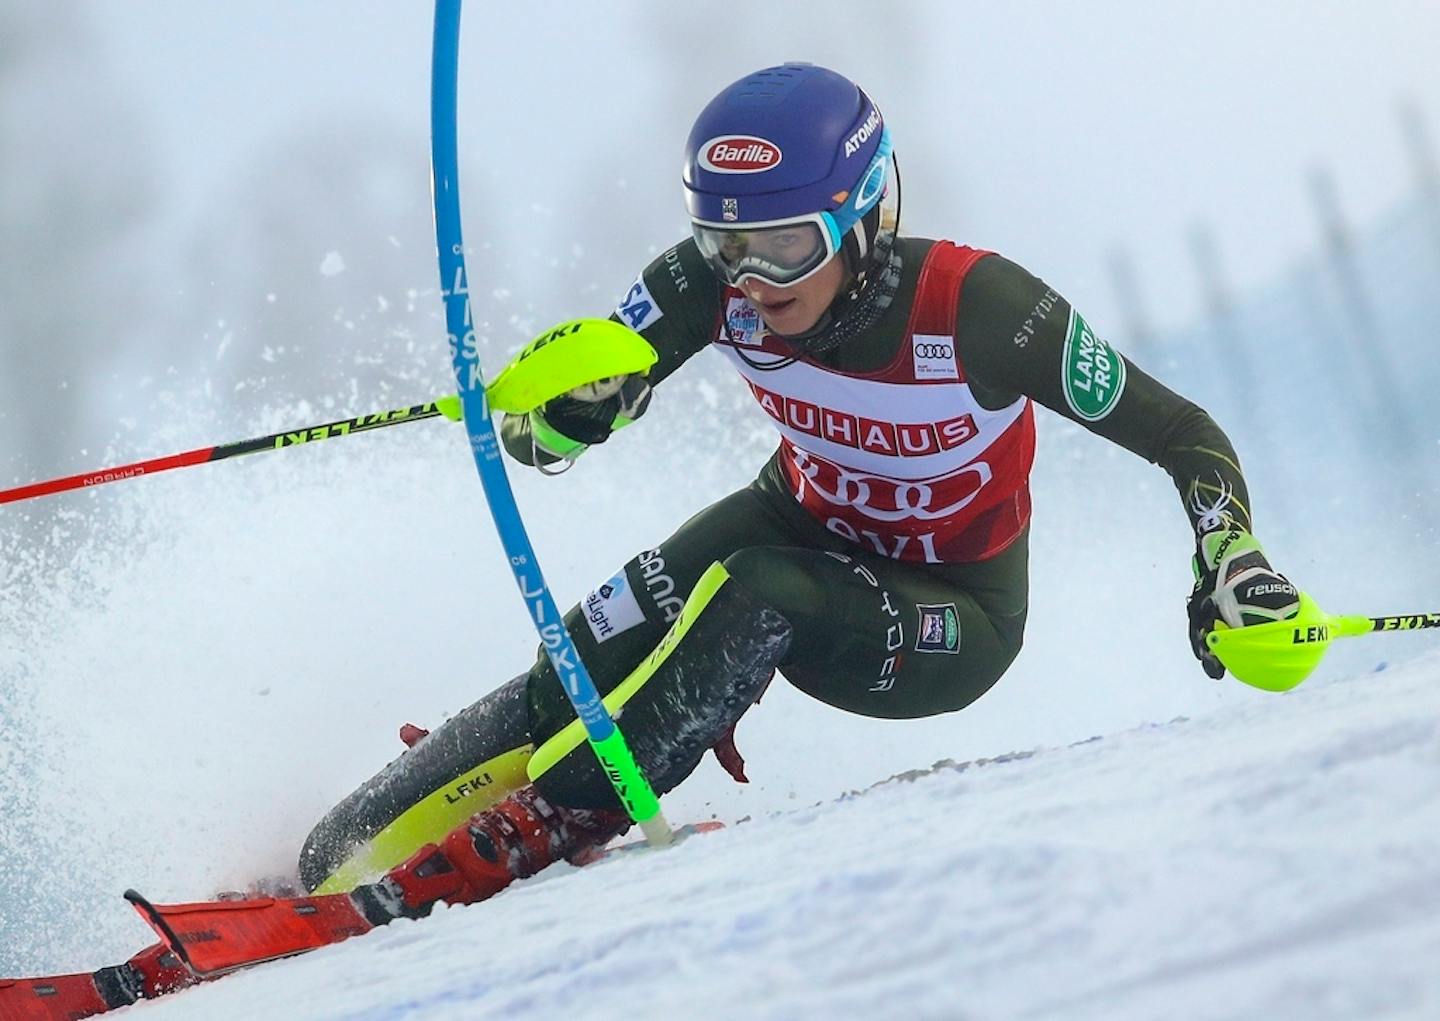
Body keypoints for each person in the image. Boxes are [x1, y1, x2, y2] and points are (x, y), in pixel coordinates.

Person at [300, 62, 1301, 918]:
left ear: (864, 219)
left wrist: (1231, 554)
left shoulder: (980, 307)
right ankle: (344, 838)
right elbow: (541, 433)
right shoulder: (710, 287)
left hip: (952, 610)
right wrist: (566, 411)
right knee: (585, 647)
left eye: (786, 246)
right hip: (800, 515)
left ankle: (560, 812)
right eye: (723, 245)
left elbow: (1182, 432)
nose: (752, 282)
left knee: (757, 587)